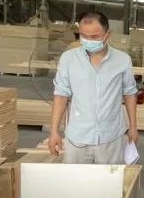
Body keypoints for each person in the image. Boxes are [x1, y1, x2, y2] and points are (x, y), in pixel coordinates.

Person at [48, 11, 138, 164]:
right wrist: (54, 131)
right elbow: (61, 95)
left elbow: (130, 93)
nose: (88, 41)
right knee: (77, 179)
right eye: (83, 36)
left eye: (94, 37)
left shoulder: (123, 60)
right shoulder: (69, 59)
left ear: (108, 35)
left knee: (108, 179)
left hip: (111, 137)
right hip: (78, 137)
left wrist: (133, 127)